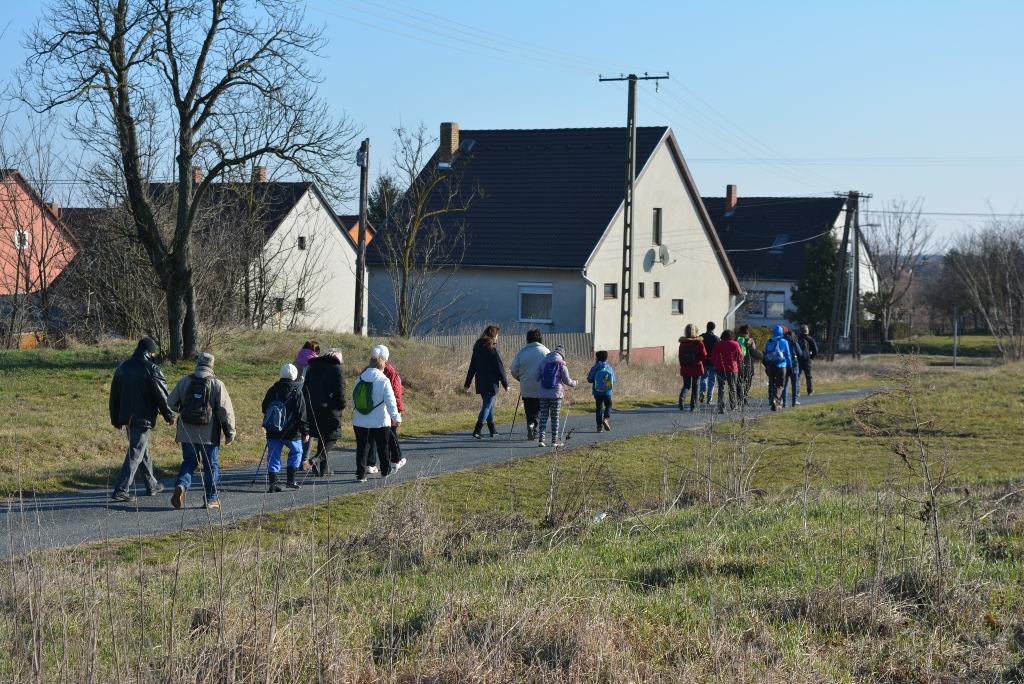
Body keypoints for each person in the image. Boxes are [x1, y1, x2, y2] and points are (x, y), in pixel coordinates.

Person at [109, 337, 175, 502]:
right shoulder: (152, 368)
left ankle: (151, 484)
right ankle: (121, 489)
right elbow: (162, 395)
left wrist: (116, 418)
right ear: (151, 352)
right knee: (136, 452)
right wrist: (170, 415)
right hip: (143, 417)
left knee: (141, 450)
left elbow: (114, 395)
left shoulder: (122, 367)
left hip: (127, 417)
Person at [167, 352, 236, 509]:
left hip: (186, 432)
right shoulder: (217, 384)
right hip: (208, 434)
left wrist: (182, 409)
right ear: (212, 365)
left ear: (197, 363)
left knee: (189, 461)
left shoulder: (185, 381)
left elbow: (170, 402)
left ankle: (181, 485)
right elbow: (225, 412)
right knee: (211, 466)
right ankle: (210, 499)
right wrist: (230, 433)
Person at [352, 355, 401, 482]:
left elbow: (354, 398)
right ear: (383, 366)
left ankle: (361, 475)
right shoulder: (384, 380)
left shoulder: (360, 379)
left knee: (362, 448)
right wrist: (396, 418)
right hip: (380, 421)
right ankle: (385, 472)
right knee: (383, 447)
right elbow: (391, 402)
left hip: (360, 420)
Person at [261, 364, 310, 492]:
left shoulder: (273, 390)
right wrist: (305, 431)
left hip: (273, 430)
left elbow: (264, 408)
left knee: (274, 455)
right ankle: (291, 480)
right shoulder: (296, 391)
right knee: (297, 452)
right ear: (294, 375)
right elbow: (301, 413)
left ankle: (273, 483)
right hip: (292, 431)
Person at [303, 347, 346, 477]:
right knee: (332, 437)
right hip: (331, 408)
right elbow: (340, 390)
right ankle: (316, 459)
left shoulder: (312, 368)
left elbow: (305, 388)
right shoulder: (336, 368)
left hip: (313, 408)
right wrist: (342, 405)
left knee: (322, 437)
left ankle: (324, 469)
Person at [463, 325, 509, 439]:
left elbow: (472, 367)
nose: (497, 337)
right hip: (491, 382)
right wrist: (506, 384)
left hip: (480, 381)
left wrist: (467, 384)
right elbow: (500, 368)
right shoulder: (493, 350)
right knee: (487, 405)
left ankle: (492, 430)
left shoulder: (477, 348)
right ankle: (477, 430)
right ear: (494, 335)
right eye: (497, 335)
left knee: (489, 405)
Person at [365, 345, 406, 474]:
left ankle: (370, 464)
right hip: (386, 410)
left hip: (368, 409)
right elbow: (396, 392)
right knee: (391, 435)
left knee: (371, 437)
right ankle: (395, 460)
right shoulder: (390, 372)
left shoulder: (366, 371)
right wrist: (399, 409)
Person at [510, 329, 549, 440]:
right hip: (541, 385)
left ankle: (531, 430)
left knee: (529, 408)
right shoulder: (545, 352)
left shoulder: (522, 352)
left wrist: (520, 378)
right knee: (539, 408)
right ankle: (534, 424)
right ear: (540, 338)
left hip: (526, 385)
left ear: (528, 339)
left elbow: (513, 369)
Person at [535, 344, 578, 447]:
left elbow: (536, 377)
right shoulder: (561, 364)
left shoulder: (543, 363)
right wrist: (575, 383)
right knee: (555, 417)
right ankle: (555, 440)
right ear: (562, 355)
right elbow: (567, 380)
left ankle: (541, 439)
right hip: (556, 394)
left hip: (543, 393)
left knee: (543, 416)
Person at [295, 340, 320, 470]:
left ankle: (296, 458)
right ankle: (304, 460)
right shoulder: (315, 364)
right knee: (308, 431)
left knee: (296, 431)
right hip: (308, 399)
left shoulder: (296, 361)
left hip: (294, 399)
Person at [709, 330, 743, 413]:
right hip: (732, 368)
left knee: (721, 388)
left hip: (720, 367)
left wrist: (715, 363)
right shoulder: (735, 344)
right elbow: (740, 357)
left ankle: (722, 407)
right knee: (732, 387)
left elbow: (712, 355)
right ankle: (733, 406)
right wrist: (737, 361)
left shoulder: (719, 344)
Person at [678, 324, 708, 412]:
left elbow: (680, 356)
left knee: (686, 385)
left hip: (685, 366)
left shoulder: (683, 343)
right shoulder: (699, 343)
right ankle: (693, 406)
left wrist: (682, 364)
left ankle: (682, 397)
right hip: (696, 366)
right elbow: (704, 355)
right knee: (695, 386)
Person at [762, 325, 794, 411]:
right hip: (781, 365)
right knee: (780, 385)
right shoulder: (784, 341)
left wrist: (767, 366)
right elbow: (787, 355)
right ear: (782, 333)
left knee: (773, 384)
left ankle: (777, 403)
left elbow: (765, 354)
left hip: (770, 366)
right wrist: (790, 366)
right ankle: (775, 399)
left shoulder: (769, 342)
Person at [586, 350, 616, 432]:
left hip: (597, 391)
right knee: (609, 405)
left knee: (599, 408)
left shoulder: (594, 368)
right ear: (606, 358)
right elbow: (614, 380)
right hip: (607, 391)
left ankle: (599, 426)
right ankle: (606, 418)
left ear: (597, 358)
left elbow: (589, 379)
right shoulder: (609, 368)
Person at [736, 324, 763, 406]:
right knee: (748, 382)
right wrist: (761, 356)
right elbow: (754, 353)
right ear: (748, 332)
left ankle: (739, 399)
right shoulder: (750, 340)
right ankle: (745, 397)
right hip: (748, 364)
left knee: (738, 382)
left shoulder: (736, 339)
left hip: (737, 364)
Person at [782, 328, 804, 407]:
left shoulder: (782, 341)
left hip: (784, 364)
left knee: (785, 384)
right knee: (794, 383)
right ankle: (794, 401)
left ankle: (784, 401)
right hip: (794, 365)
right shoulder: (793, 342)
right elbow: (800, 353)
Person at [698, 322, 719, 404]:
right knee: (712, 380)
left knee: (703, 378)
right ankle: (709, 397)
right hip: (713, 361)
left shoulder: (701, 337)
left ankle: (702, 393)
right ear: (713, 329)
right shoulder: (716, 338)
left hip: (703, 361)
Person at [798, 325, 819, 395]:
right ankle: (810, 391)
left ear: (800, 331)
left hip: (798, 360)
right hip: (807, 360)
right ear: (807, 331)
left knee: (797, 376)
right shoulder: (810, 339)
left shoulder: (798, 339)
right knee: (808, 376)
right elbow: (815, 350)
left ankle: (797, 392)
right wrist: (811, 357)